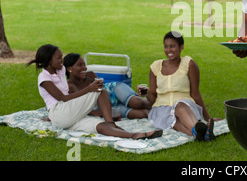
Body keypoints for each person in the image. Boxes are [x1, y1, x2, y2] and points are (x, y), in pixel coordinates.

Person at [27, 44, 162, 140]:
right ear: (48, 61)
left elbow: (68, 96)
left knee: (99, 126)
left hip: (67, 115)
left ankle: (134, 135)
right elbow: (62, 98)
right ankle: (110, 122)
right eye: (59, 57)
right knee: (99, 90)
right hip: (60, 112)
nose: (62, 59)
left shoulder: (61, 70)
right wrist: (89, 89)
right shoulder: (44, 78)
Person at [144, 31, 215, 141]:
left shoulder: (188, 64)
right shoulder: (155, 66)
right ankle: (202, 134)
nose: (169, 50)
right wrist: (146, 93)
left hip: (185, 107)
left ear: (181, 47)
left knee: (179, 106)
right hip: (162, 109)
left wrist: (207, 117)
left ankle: (197, 131)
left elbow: (195, 94)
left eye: (172, 46)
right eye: (166, 47)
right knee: (173, 121)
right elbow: (153, 99)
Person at [63, 53, 151, 119]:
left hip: (114, 90)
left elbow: (103, 88)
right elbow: (75, 108)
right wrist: (94, 112)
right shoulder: (69, 86)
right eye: (79, 65)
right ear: (69, 69)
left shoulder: (90, 75)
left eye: (84, 65)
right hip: (106, 107)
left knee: (139, 103)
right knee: (141, 114)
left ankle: (162, 105)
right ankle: (162, 113)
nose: (84, 68)